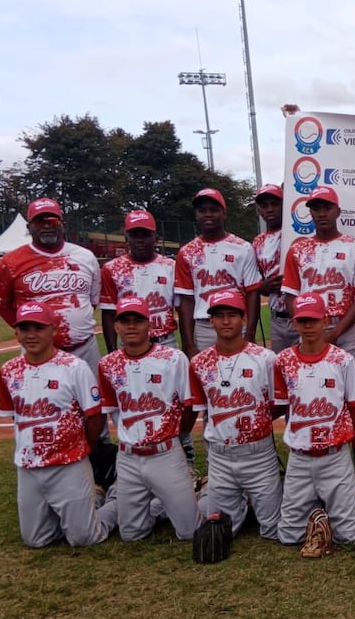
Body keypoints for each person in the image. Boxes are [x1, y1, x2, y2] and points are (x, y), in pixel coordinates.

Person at [0, 301, 114, 548]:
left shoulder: (74, 367)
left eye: (38, 327)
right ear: (16, 332)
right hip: (29, 466)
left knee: (85, 538)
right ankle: (82, 506)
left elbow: (95, 415)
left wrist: (84, 447)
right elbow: (14, 417)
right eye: (24, 328)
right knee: (36, 540)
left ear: (53, 329)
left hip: (69, 463)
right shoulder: (8, 371)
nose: (30, 334)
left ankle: (117, 501)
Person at [273, 292, 355, 554]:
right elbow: (281, 404)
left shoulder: (342, 360)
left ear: (324, 321)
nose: (308, 326)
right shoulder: (283, 361)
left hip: (334, 456)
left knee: (350, 536)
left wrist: (339, 436)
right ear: (294, 323)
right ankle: (320, 509)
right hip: (299, 457)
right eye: (302, 320)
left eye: (313, 320)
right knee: (288, 536)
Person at [281, 186, 355, 489]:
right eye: (315, 207)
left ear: (337, 211)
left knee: (353, 404)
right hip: (308, 328)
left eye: (326, 207)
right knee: (309, 397)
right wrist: (309, 329)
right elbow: (291, 296)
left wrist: (333, 333)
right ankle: (310, 460)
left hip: (342, 329)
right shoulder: (298, 248)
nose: (321, 213)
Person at [97, 296, 200, 541]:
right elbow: (113, 409)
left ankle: (185, 494)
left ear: (149, 325)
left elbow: (189, 407)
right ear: (116, 327)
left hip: (165, 453)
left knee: (189, 532)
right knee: (132, 534)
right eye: (125, 321)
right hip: (129, 457)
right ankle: (131, 499)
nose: (131, 326)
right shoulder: (107, 364)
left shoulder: (173, 359)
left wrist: (175, 437)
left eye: (138, 320)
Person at [188, 289, 283, 539]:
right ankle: (208, 491)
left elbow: (281, 403)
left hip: (259, 455)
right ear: (211, 321)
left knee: (273, 530)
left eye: (232, 315)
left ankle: (246, 500)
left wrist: (256, 419)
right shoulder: (199, 363)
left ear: (244, 318)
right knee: (219, 531)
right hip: (220, 457)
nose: (226, 321)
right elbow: (202, 408)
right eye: (219, 316)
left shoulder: (265, 358)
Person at [101, 209, 192, 463]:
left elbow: (181, 307)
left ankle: (185, 456)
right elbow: (108, 313)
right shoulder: (112, 269)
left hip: (165, 341)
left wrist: (186, 345)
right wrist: (111, 350)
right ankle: (133, 456)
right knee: (134, 402)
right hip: (128, 348)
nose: (140, 239)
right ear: (126, 237)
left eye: (145, 234)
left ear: (156, 237)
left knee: (172, 403)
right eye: (134, 234)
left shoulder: (170, 266)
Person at [0, 198, 102, 371]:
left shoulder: (85, 257)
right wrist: (31, 331)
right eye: (40, 221)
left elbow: (92, 300)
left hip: (84, 348)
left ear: (62, 224)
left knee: (92, 397)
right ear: (29, 228)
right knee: (39, 398)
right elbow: (1, 305)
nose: (47, 226)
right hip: (38, 354)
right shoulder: (9, 263)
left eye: (52, 220)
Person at [175, 187, 263, 354]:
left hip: (237, 322)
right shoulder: (186, 252)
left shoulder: (242, 248)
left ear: (224, 213)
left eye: (214, 210)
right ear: (196, 215)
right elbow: (186, 301)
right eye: (202, 210)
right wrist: (188, 343)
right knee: (206, 377)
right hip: (205, 325)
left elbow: (252, 292)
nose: (208, 214)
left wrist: (250, 333)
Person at [250, 184, 296, 352]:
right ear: (259, 210)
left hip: (301, 314)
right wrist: (264, 286)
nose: (269, 209)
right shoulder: (257, 242)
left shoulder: (296, 234)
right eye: (264, 205)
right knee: (280, 369)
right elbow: (255, 282)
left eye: (275, 204)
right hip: (277, 318)